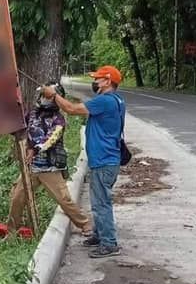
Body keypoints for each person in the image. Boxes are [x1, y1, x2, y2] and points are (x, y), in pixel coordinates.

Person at [41, 66, 125, 258]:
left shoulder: (105, 101)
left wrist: (54, 96)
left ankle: (109, 243)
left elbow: (71, 109)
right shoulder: (117, 101)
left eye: (98, 79)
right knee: (100, 199)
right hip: (108, 158)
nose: (95, 82)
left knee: (101, 203)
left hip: (104, 160)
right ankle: (100, 234)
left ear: (108, 81)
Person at [7, 84, 92, 236]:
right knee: (17, 197)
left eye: (48, 96)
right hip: (31, 166)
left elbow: (51, 138)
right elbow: (19, 128)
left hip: (49, 167)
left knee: (64, 199)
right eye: (43, 95)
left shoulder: (58, 119)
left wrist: (35, 149)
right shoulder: (32, 114)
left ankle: (85, 224)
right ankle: (12, 233)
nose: (43, 99)